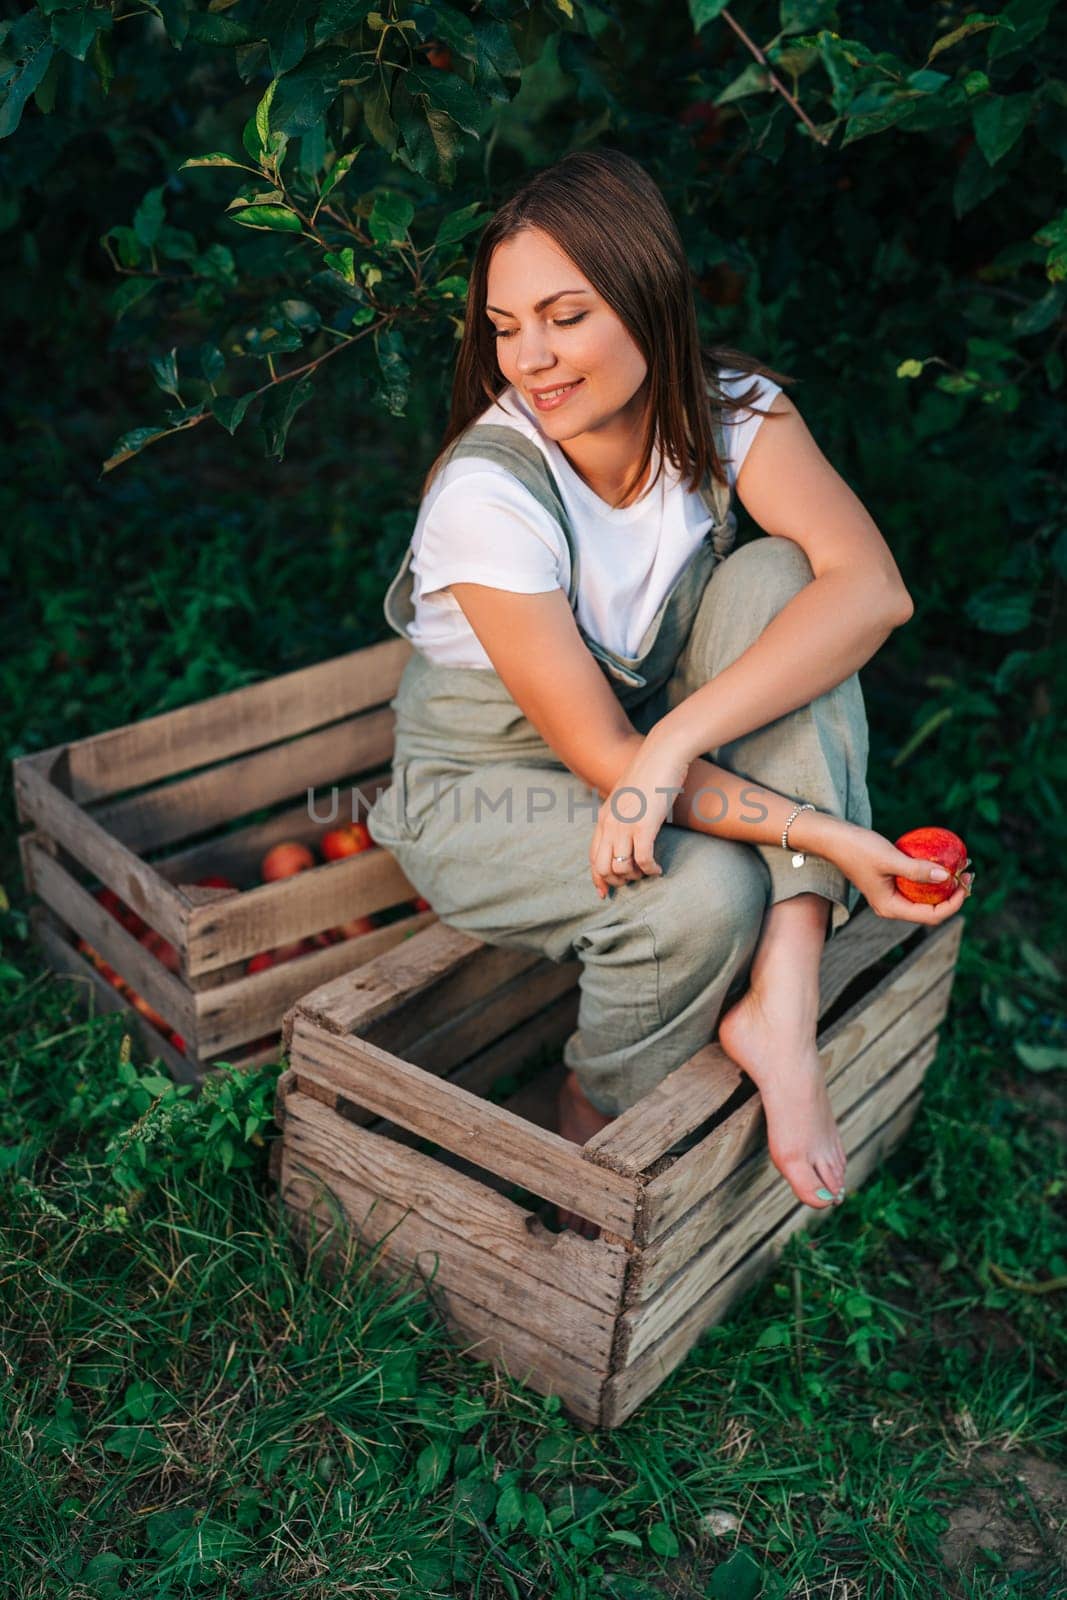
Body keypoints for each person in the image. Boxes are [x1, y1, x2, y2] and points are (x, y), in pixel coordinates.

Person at [366, 149, 972, 1236]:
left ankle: (779, 1001)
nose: (532, 359)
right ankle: (591, 1109)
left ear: (646, 294)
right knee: (698, 895)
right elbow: (603, 758)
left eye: (564, 314)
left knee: (785, 581)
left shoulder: (729, 410)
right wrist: (823, 835)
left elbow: (872, 591)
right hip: (480, 786)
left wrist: (672, 741)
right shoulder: (487, 492)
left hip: (641, 739)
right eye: (505, 326)